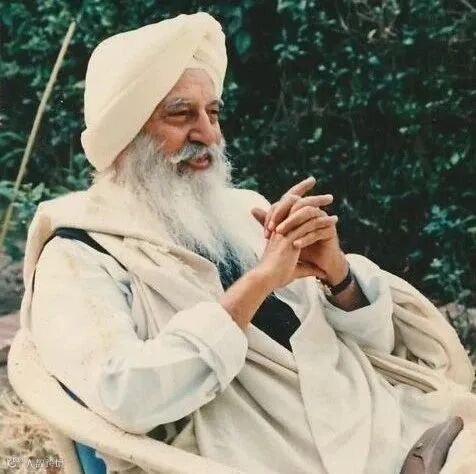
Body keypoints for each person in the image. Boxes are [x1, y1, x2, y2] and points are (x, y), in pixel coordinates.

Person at [18, 12, 476, 474]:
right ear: (125, 133)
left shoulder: (241, 211)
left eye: (213, 113)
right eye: (181, 114)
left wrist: (338, 277)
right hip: (279, 455)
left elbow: (377, 346)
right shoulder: (79, 254)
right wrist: (258, 283)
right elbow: (125, 396)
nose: (208, 134)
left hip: (394, 424)